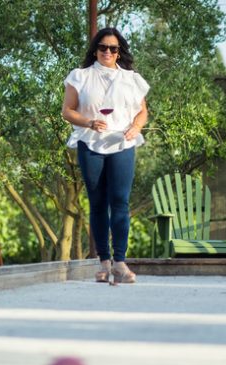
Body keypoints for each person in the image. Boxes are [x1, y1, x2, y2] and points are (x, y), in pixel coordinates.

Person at [61, 28, 150, 285]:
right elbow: (67, 111)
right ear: (95, 50)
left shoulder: (132, 79)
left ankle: (120, 263)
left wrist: (137, 127)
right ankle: (103, 263)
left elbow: (143, 112)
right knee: (98, 203)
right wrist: (89, 122)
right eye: (102, 47)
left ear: (119, 51)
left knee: (120, 202)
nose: (107, 52)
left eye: (113, 48)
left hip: (123, 143)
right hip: (90, 144)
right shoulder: (80, 76)